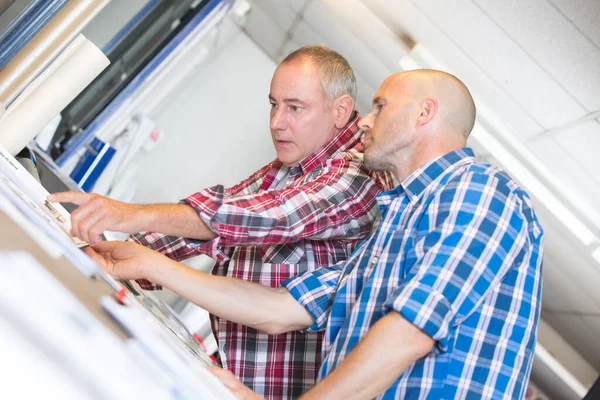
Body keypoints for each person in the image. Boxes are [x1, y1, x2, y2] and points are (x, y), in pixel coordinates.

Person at [88, 69, 544, 399]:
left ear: (425, 112)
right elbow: (281, 309)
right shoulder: (394, 226)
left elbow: (411, 332)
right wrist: (152, 264)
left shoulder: (481, 191)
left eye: (381, 106)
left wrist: (129, 217)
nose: (364, 121)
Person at [49, 46, 393, 398]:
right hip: (231, 376)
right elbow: (218, 221)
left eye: (294, 107)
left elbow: (260, 217)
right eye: (274, 105)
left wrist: (127, 214)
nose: (277, 122)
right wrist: (118, 257)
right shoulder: (291, 167)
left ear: (340, 111)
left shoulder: (356, 178)